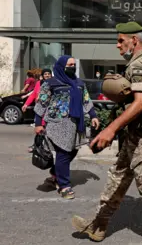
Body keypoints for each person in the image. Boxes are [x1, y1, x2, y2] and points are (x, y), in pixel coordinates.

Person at [71, 22, 142, 245]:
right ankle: (99, 225)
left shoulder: (140, 65)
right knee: (118, 178)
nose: (118, 45)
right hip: (133, 135)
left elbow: (140, 104)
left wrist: (110, 129)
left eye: (121, 40)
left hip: (140, 136)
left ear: (135, 41)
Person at [34, 56, 99, 199]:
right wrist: (38, 123)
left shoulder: (79, 83)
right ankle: (64, 186)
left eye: (74, 64)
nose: (72, 66)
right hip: (57, 123)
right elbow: (42, 103)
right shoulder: (51, 83)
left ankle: (56, 172)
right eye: (69, 64)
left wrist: (93, 115)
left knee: (72, 151)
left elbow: (86, 100)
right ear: (61, 66)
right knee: (63, 153)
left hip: (76, 124)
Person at [23, 68, 52, 152]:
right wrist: (26, 104)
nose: (47, 75)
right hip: (39, 110)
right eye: (45, 74)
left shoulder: (54, 84)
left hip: (49, 110)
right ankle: (36, 145)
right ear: (42, 75)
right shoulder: (38, 83)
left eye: (49, 74)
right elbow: (33, 94)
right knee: (39, 129)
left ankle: (47, 147)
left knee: (48, 129)